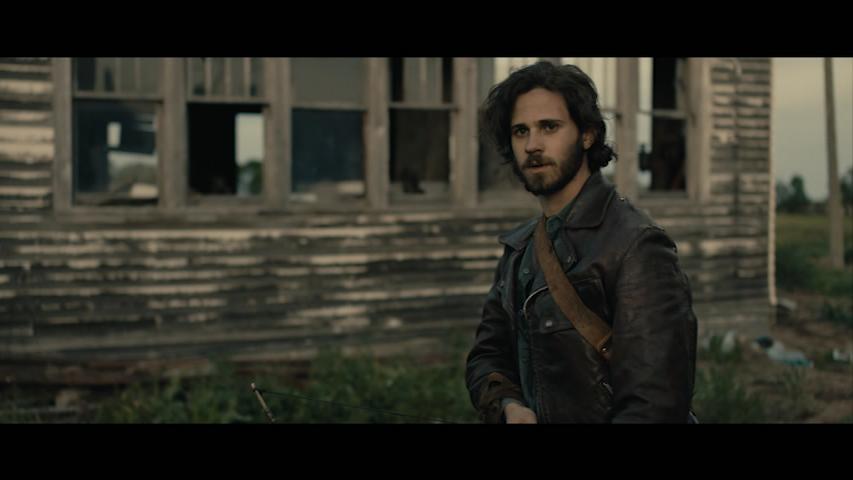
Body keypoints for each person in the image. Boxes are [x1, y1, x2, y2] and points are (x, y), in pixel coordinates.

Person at [465, 61, 697, 423]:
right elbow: (487, 356)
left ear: (587, 135)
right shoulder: (520, 250)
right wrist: (509, 404)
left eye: (549, 127)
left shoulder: (636, 245)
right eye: (521, 131)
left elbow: (654, 405)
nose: (533, 145)